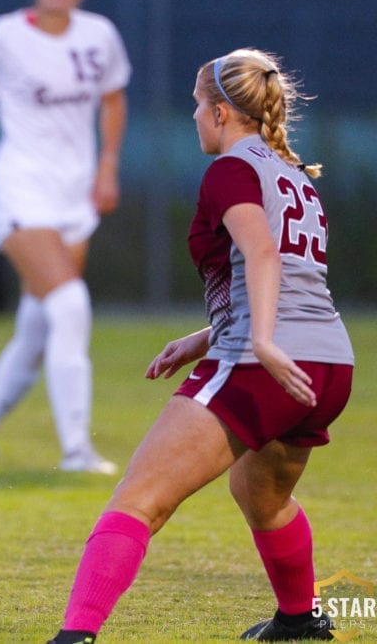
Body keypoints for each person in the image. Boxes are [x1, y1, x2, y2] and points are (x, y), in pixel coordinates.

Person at [47, 48, 354, 644]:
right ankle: (300, 620)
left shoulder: (232, 170)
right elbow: (291, 278)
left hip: (267, 358)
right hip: (328, 364)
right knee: (260, 492)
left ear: (220, 113)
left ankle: (74, 636)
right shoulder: (292, 174)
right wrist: (202, 338)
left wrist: (258, 340)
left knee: (138, 500)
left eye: (195, 106)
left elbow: (262, 253)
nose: (192, 117)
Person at [0, 0, 130, 473]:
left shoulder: (100, 35)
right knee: (69, 306)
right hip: (22, 190)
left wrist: (107, 165)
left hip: (74, 195)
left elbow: (113, 99)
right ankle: (76, 450)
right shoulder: (4, 36)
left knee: (38, 332)